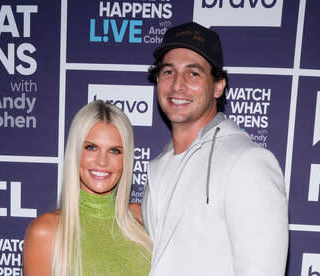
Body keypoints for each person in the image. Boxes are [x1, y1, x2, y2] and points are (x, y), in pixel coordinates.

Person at [141, 22, 289, 275]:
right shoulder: (159, 166)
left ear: (219, 86)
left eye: (193, 73)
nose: (177, 85)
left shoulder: (247, 162)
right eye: (168, 72)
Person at [23, 101, 152, 276]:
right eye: (91, 148)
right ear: (75, 152)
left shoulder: (141, 220)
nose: (102, 161)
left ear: (126, 159)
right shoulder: (46, 231)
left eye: (114, 151)